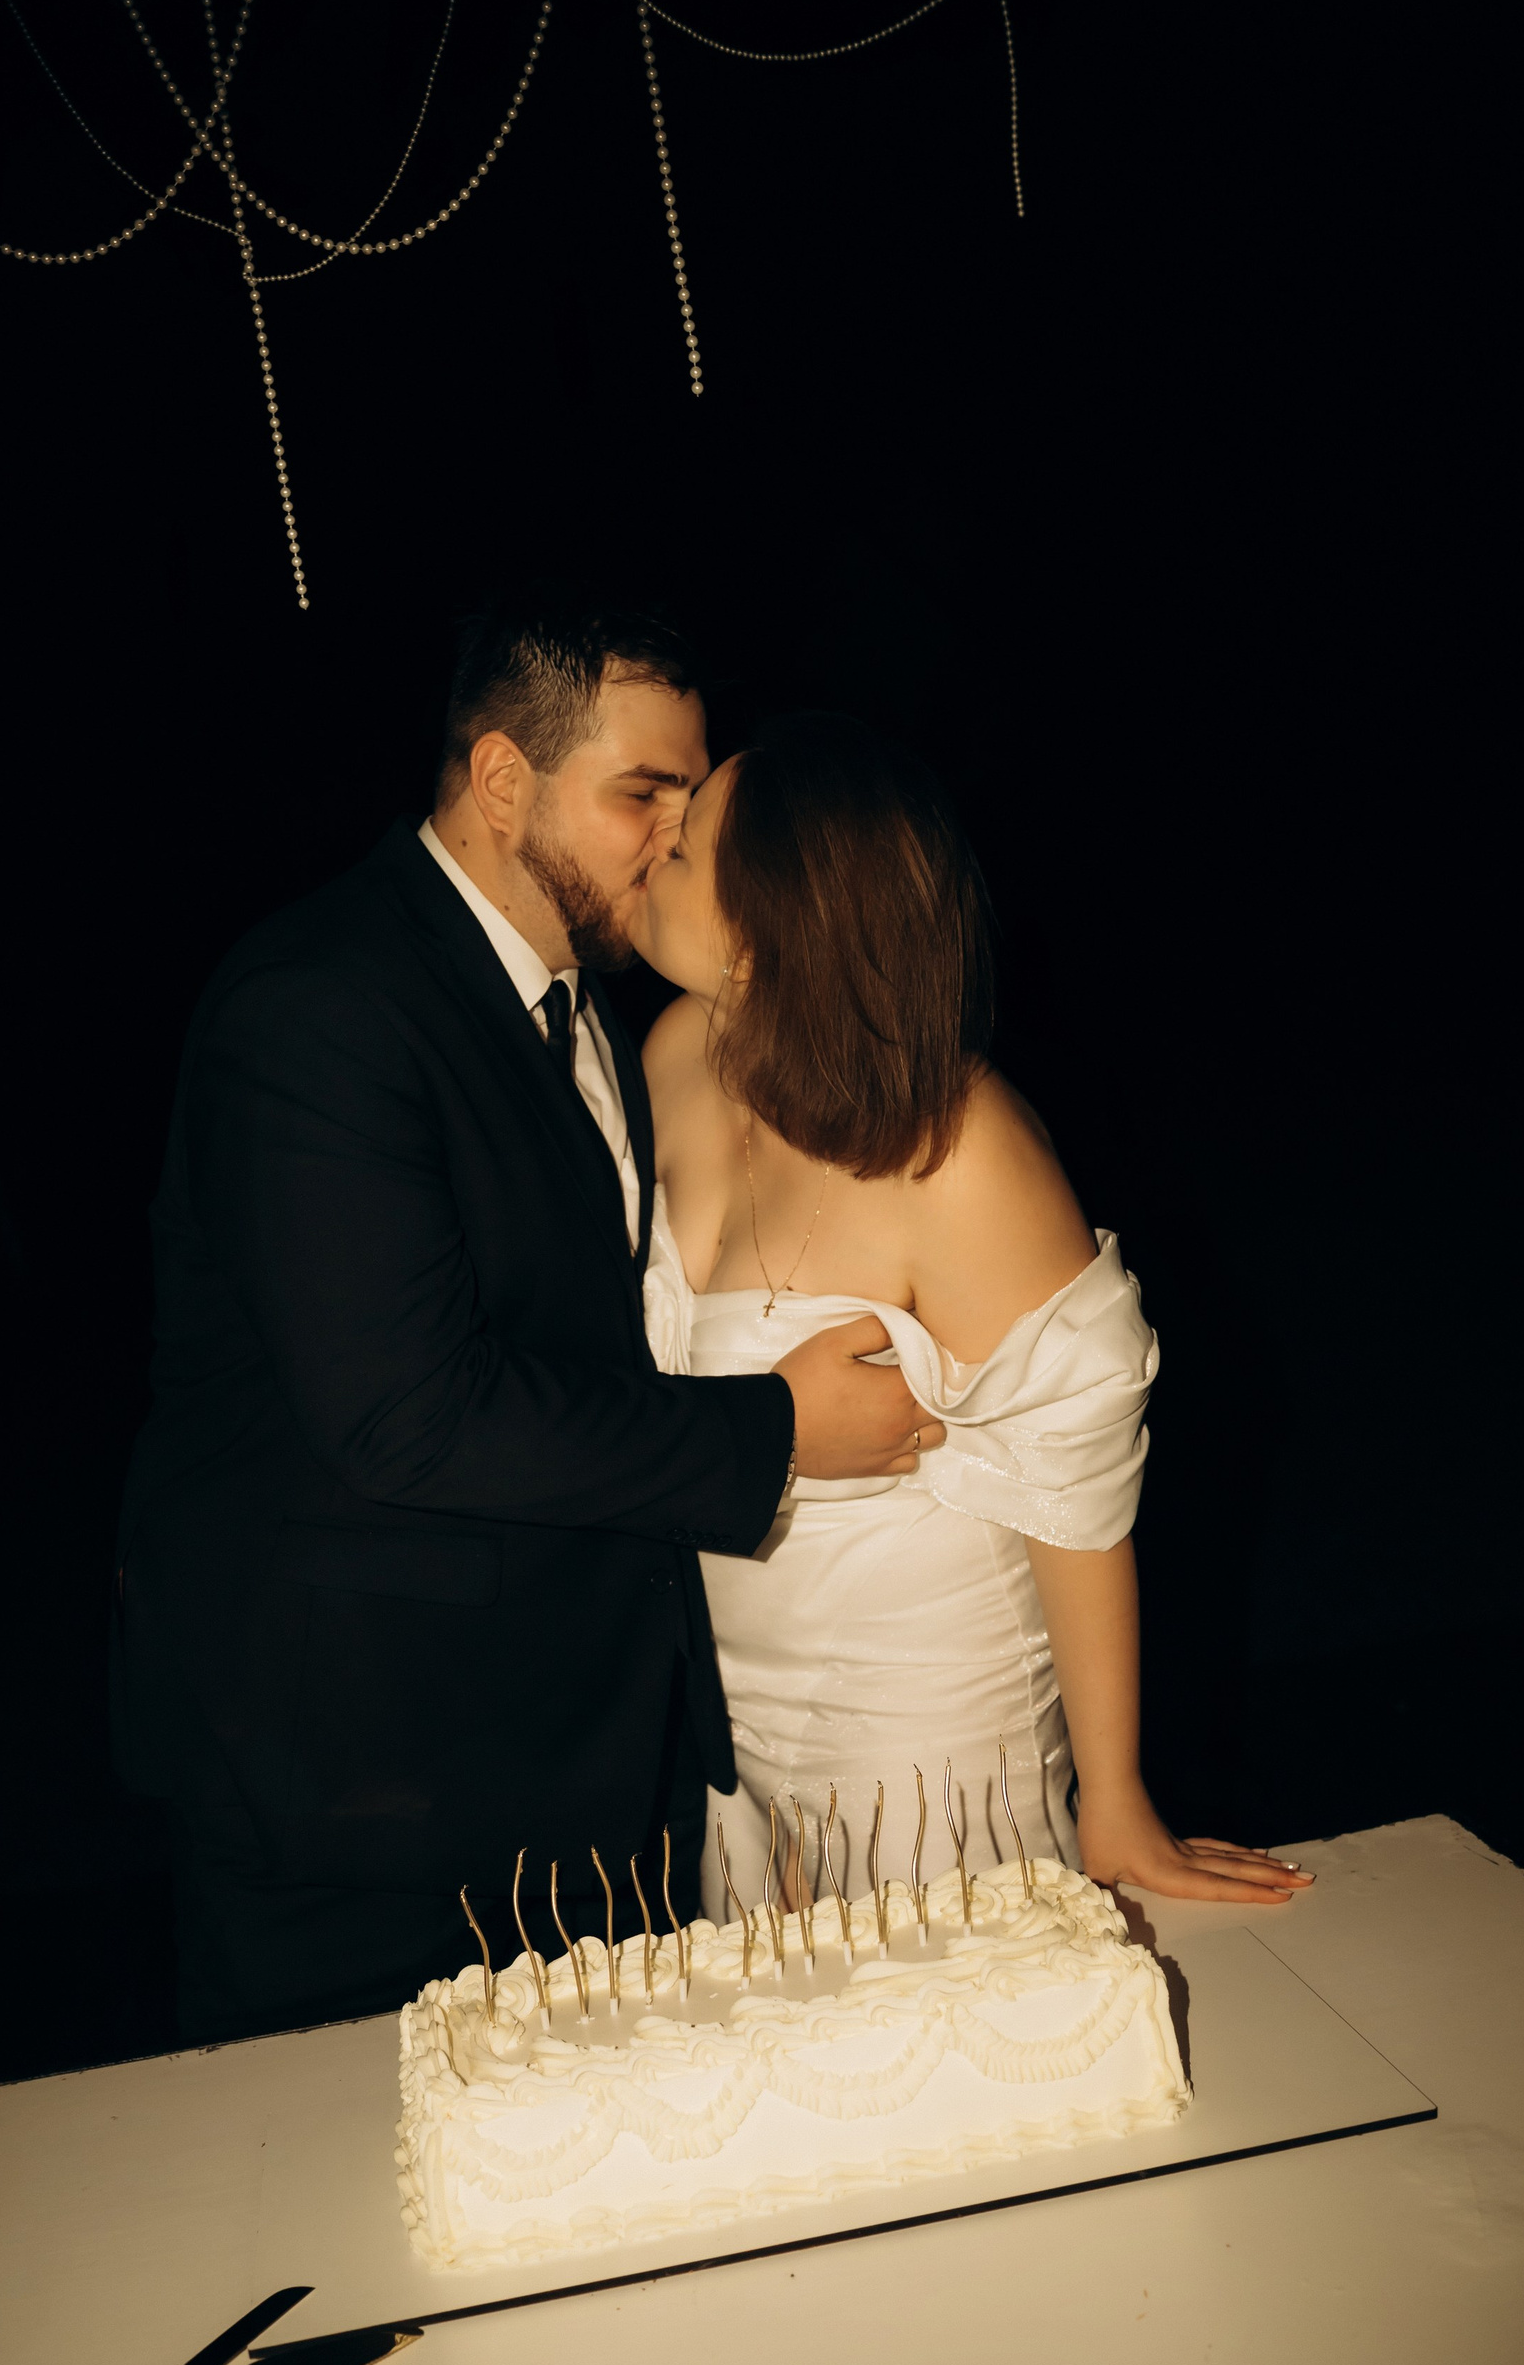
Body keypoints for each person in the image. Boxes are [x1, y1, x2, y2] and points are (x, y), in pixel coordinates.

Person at [112, 607, 938, 2041]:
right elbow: (408, 1412)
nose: (675, 841)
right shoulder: (318, 1004)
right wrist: (774, 1429)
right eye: (642, 795)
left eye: (690, 801)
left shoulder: (598, 1003)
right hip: (357, 1787)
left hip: (572, 1769)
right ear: (503, 782)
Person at [631, 712, 1311, 1919]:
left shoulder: (960, 1149)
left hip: (927, 1727)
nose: (653, 847)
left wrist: (1115, 1798)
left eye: (683, 849)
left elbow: (1076, 1489)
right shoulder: (675, 1052)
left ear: (766, 926)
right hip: (736, 1729)